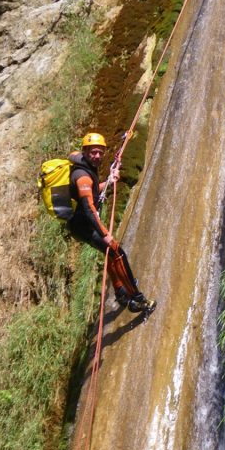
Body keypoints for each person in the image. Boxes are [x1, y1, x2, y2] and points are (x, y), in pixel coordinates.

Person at [68, 132, 155, 314]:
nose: (97, 156)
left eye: (100, 152)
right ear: (84, 151)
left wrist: (108, 181)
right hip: (84, 225)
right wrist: (105, 235)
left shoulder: (86, 168)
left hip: (81, 223)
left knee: (111, 254)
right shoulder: (82, 176)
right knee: (117, 252)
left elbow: (92, 192)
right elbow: (89, 208)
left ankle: (121, 293)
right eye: (93, 152)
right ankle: (137, 299)